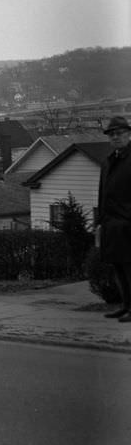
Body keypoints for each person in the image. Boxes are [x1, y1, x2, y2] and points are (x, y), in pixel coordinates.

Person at [98, 115, 131, 321]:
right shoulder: (109, 161)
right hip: (111, 225)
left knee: (130, 268)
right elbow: (102, 193)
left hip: (128, 224)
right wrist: (100, 222)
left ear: (129, 135)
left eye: (120, 133)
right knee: (119, 268)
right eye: (112, 134)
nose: (116, 138)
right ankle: (126, 306)